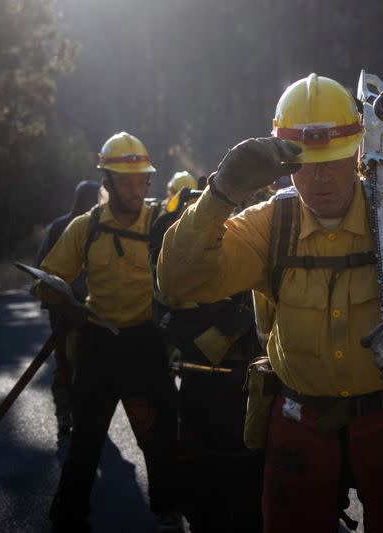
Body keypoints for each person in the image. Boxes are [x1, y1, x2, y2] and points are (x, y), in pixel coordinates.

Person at [157, 73, 383, 533]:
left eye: (333, 161)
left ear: (358, 148)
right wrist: (219, 196)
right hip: (300, 420)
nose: (319, 179)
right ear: (283, 162)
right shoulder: (268, 226)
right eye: (305, 164)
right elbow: (177, 283)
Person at [32, 132, 180, 532]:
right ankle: (68, 517)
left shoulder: (160, 222)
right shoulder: (87, 227)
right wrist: (68, 306)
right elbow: (48, 281)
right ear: (107, 182)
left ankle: (169, 512)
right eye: (128, 182)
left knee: (163, 435)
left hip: (145, 343)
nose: (138, 189)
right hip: (99, 343)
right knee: (86, 441)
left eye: (143, 181)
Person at [149, 184, 264, 533]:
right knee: (203, 476)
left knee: (250, 476)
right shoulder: (176, 241)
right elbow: (167, 306)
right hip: (202, 381)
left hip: (250, 381)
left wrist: (238, 322)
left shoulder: (258, 230)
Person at [36, 179, 101, 434]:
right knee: (65, 361)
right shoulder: (62, 227)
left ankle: (85, 413)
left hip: (91, 307)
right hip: (64, 308)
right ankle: (65, 412)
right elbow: (44, 266)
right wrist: (63, 302)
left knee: (90, 360)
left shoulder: (99, 226)